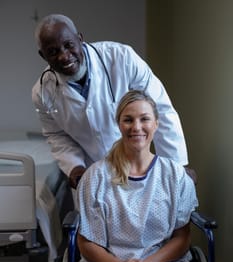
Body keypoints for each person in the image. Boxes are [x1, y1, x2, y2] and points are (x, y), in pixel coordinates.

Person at [76, 90, 211, 262]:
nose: (136, 127)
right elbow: (86, 242)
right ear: (119, 124)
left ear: (156, 124)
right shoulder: (96, 176)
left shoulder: (175, 176)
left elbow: (182, 237)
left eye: (144, 119)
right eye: (128, 120)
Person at [32, 14, 195, 189]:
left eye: (69, 45)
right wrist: (75, 167)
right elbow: (56, 135)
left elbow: (160, 109)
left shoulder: (122, 58)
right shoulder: (42, 93)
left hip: (137, 166)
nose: (64, 56)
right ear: (43, 56)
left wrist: (176, 166)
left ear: (80, 39)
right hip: (92, 176)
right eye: (53, 52)